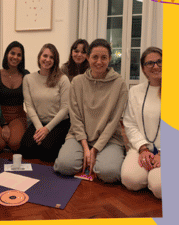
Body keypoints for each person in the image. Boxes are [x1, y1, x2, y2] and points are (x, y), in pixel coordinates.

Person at [54, 38, 128, 182]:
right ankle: (86, 158)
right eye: (95, 57)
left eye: (104, 57)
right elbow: (75, 118)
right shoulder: (77, 82)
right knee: (64, 166)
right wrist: (85, 147)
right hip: (79, 136)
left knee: (109, 173)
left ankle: (97, 158)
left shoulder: (120, 84)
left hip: (109, 139)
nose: (99, 62)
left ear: (110, 59)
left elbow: (114, 122)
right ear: (88, 58)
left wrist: (95, 149)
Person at [121, 47, 162, 198]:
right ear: (144, 69)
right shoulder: (135, 91)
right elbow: (129, 123)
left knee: (159, 187)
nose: (156, 66)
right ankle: (149, 173)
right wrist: (143, 149)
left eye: (159, 61)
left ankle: (153, 176)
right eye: (150, 63)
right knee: (130, 180)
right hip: (141, 147)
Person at [20, 43, 71, 163]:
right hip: (39, 123)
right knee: (25, 150)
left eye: (51, 57)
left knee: (47, 154)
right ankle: (44, 142)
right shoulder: (28, 78)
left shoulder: (62, 79)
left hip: (58, 123)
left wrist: (47, 129)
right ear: (39, 57)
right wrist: (40, 129)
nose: (47, 60)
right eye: (45, 56)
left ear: (55, 60)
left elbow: (65, 108)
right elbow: (29, 106)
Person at [0, 41, 30, 153]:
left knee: (15, 144)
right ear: (6, 55)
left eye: (19, 55)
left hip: (18, 116)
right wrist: (3, 124)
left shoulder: (26, 75)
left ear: (22, 58)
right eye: (12, 53)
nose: (15, 57)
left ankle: (10, 139)